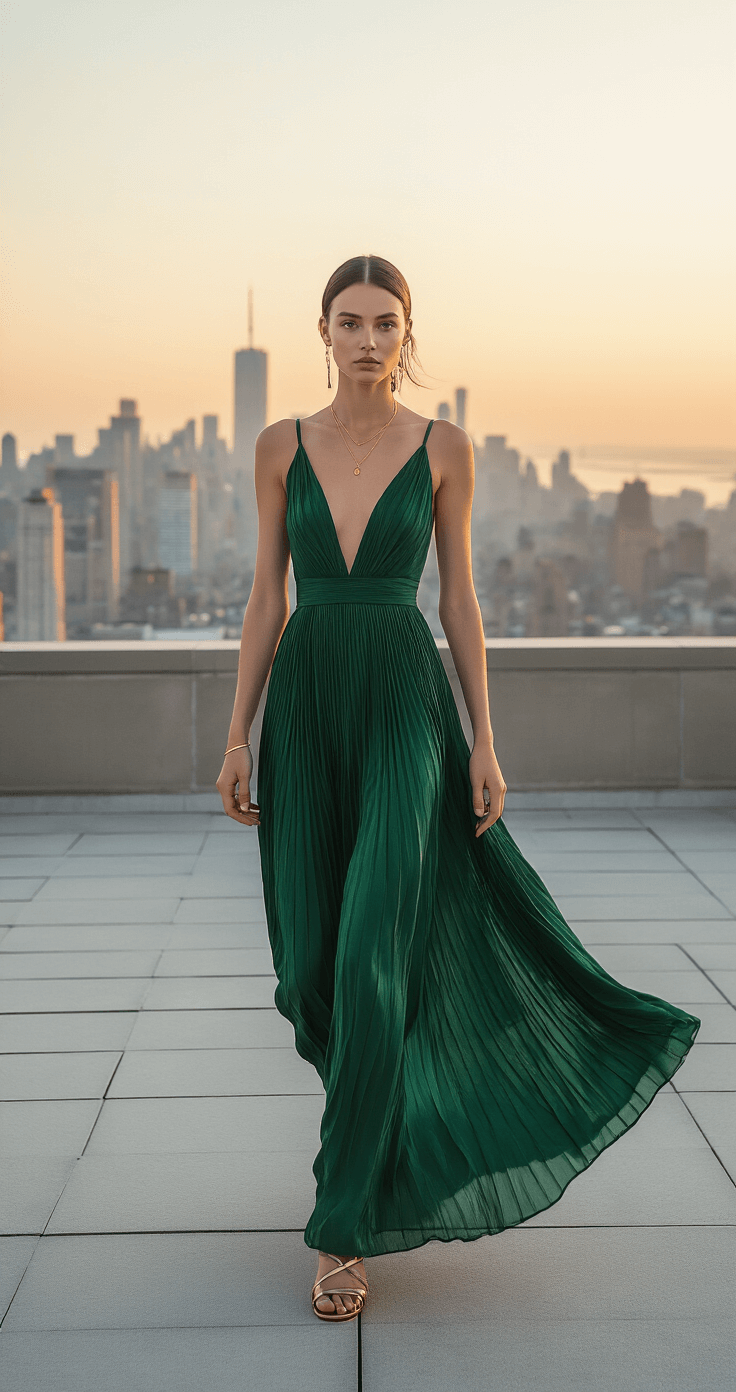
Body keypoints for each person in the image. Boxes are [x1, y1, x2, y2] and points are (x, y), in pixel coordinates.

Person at [216, 254, 700, 1323]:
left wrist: (484, 739)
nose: (367, 340)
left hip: (404, 704)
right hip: (305, 707)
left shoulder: (443, 448)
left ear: (407, 333)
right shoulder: (278, 446)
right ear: (322, 332)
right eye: (349, 322)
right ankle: (389, 1131)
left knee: (372, 956)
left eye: (385, 323)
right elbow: (264, 599)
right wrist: (237, 735)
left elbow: (461, 601)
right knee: (313, 971)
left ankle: (343, 1227)